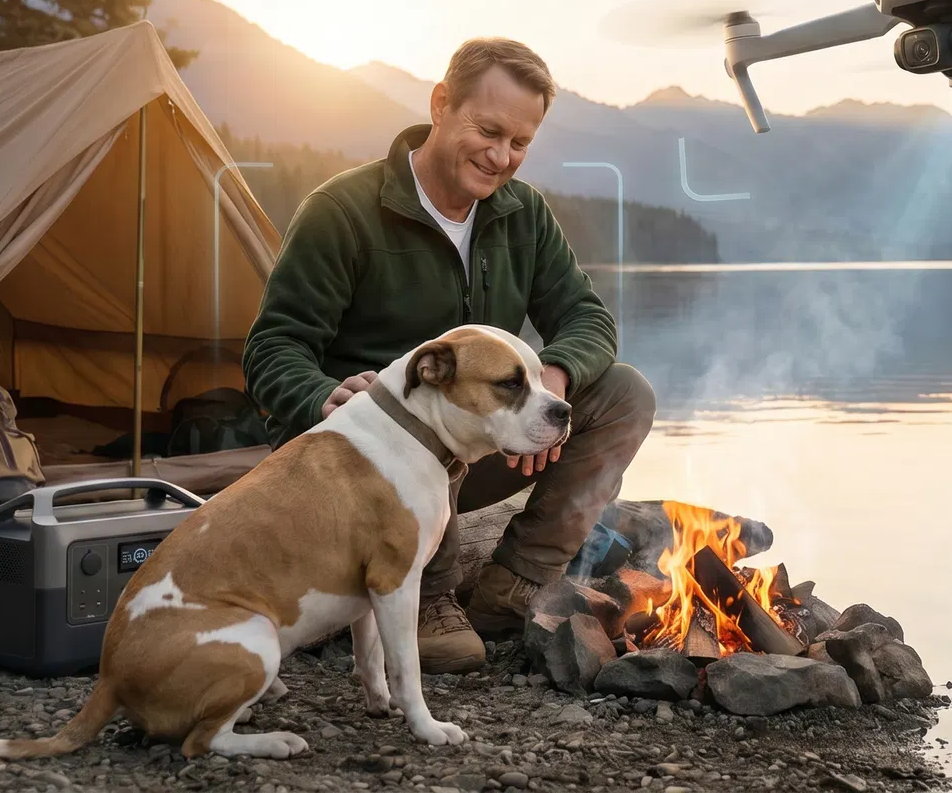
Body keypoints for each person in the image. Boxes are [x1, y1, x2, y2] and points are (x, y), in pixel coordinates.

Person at [242, 37, 655, 674]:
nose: (501, 157)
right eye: (488, 130)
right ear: (441, 105)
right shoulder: (342, 212)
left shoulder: (525, 215)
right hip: (365, 464)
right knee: (418, 433)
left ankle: (514, 584)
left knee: (624, 394)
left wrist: (552, 376)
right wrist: (318, 396)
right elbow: (274, 346)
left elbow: (586, 316)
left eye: (520, 143)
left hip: (471, 447)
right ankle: (425, 597)